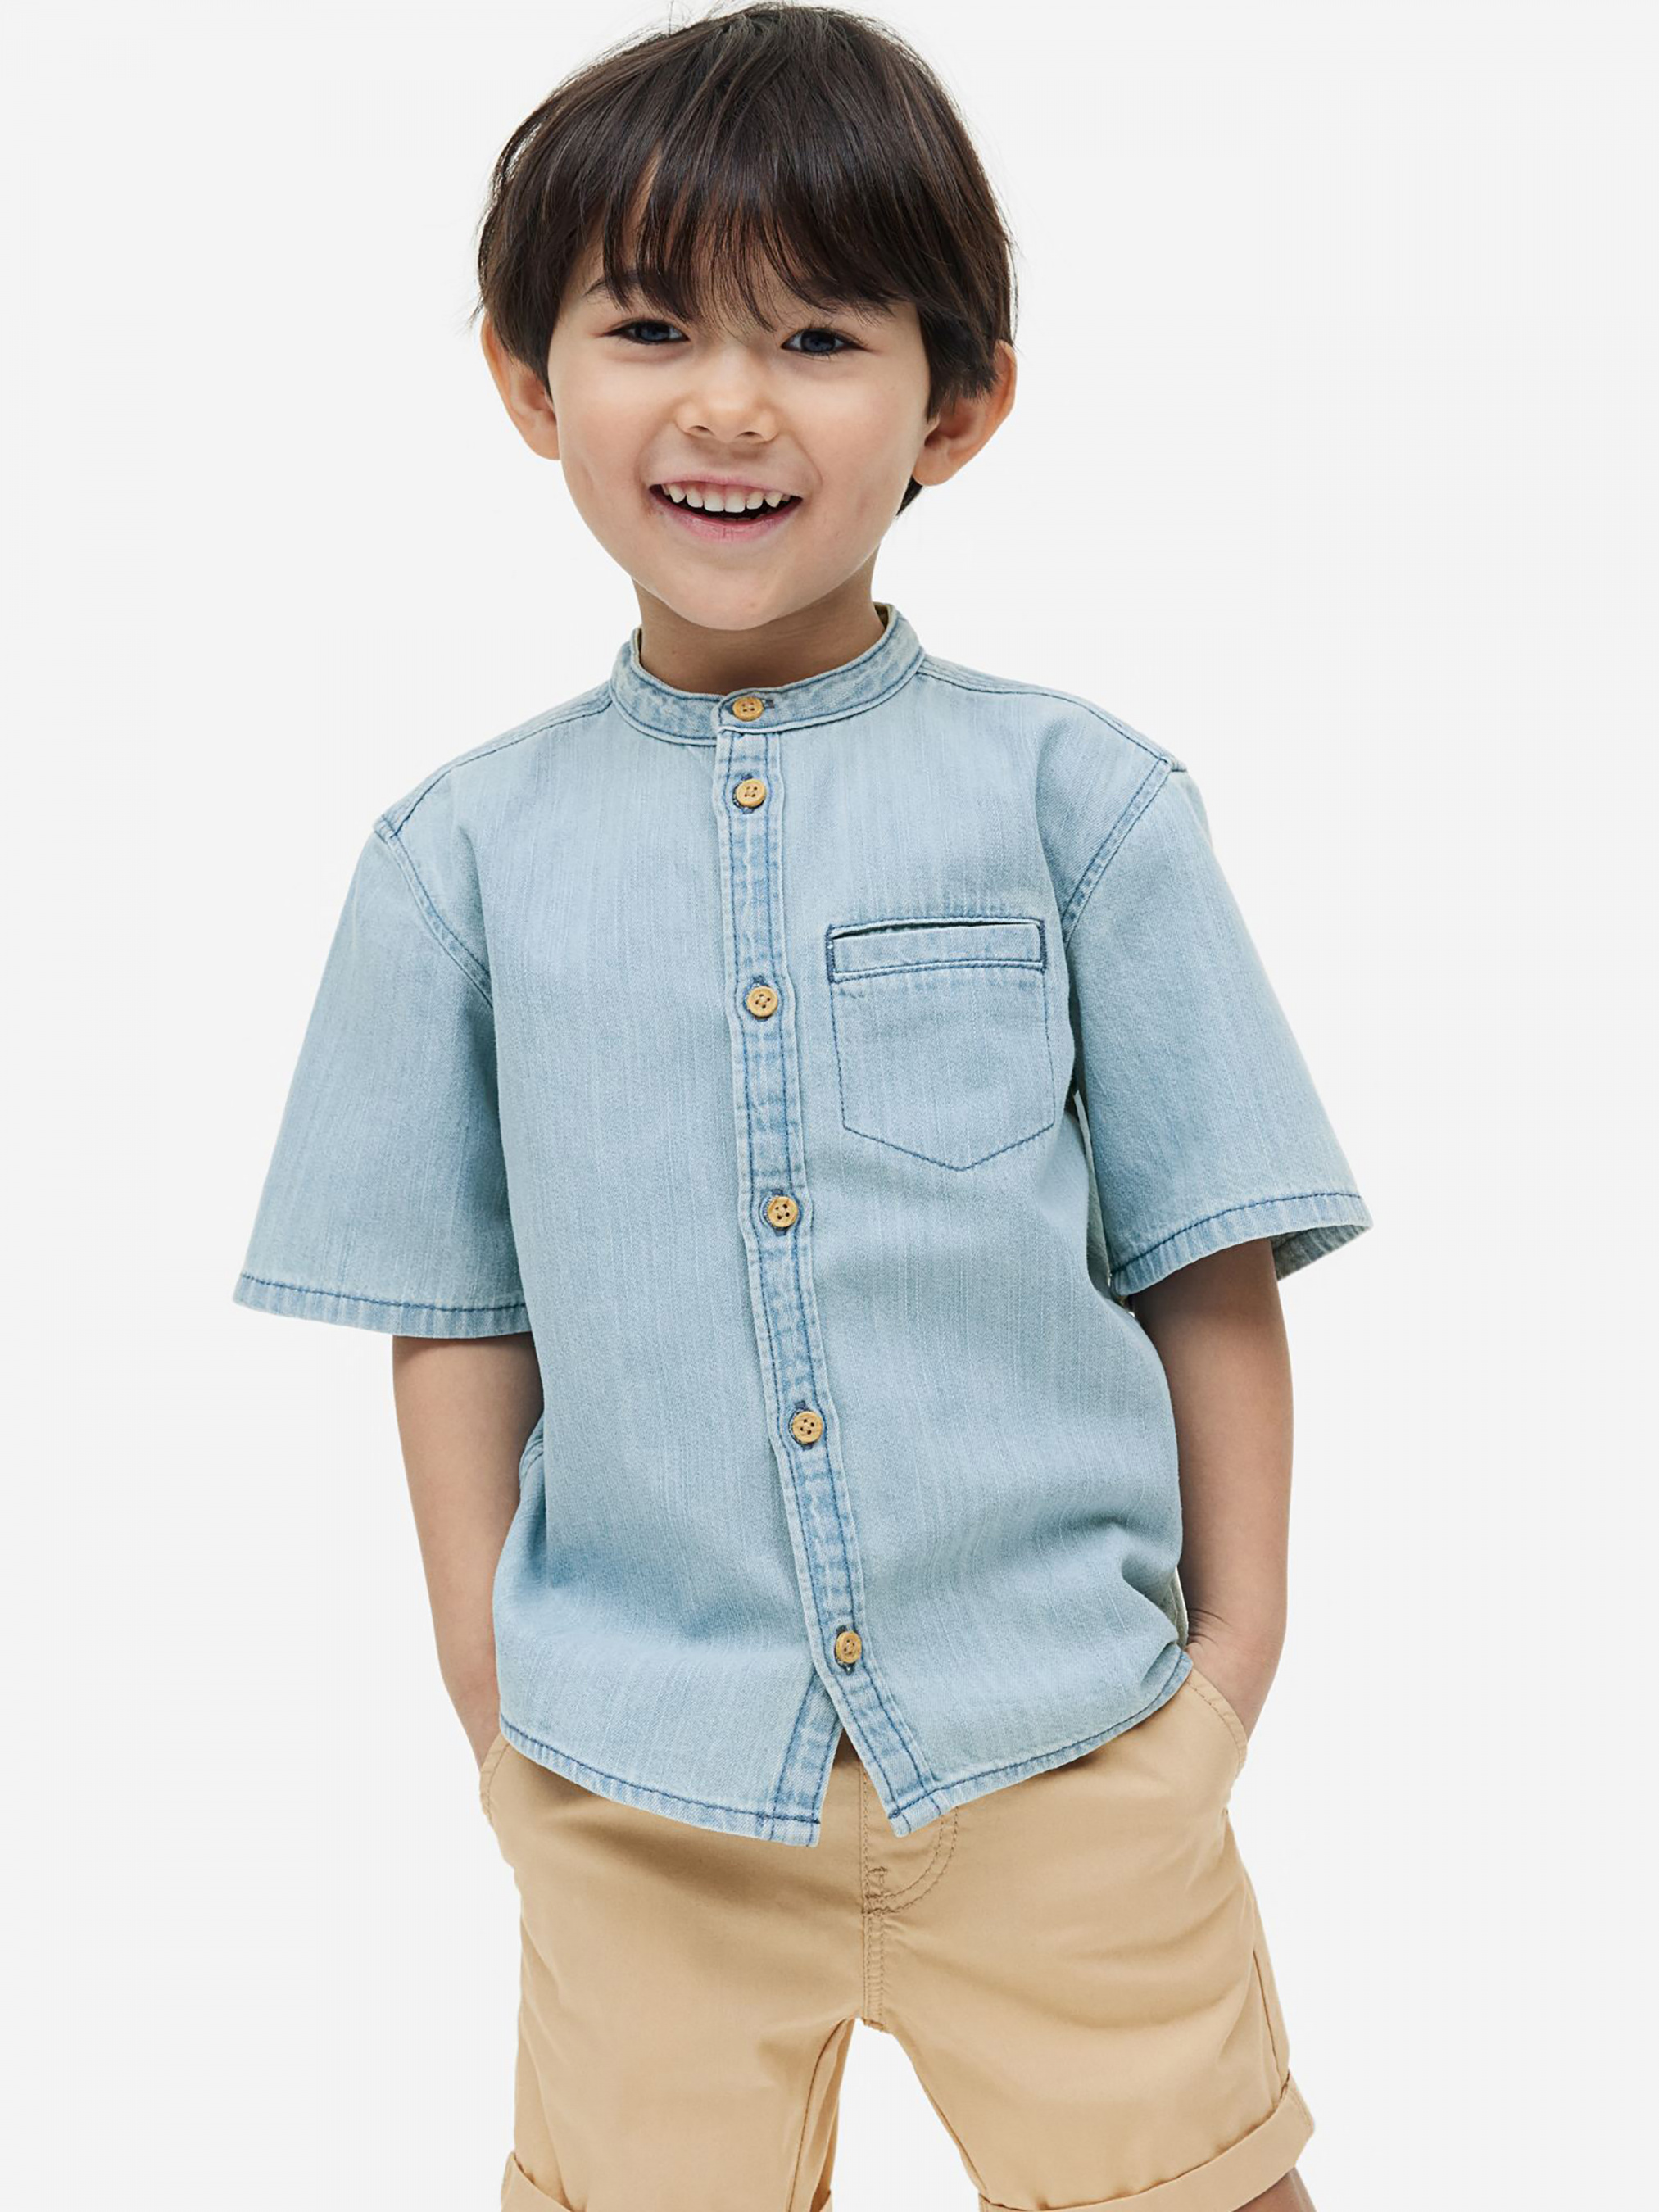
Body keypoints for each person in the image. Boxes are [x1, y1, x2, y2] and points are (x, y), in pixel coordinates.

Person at [231, 7, 1372, 2207]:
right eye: (649, 326)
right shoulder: (453, 862)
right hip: (635, 1784)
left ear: (958, 403)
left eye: (821, 335)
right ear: (526, 380)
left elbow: (1204, 1255)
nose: (731, 403)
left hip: (1067, 1751)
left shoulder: (1085, 806)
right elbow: (454, 1316)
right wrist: (497, 1709)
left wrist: (1222, 1679)